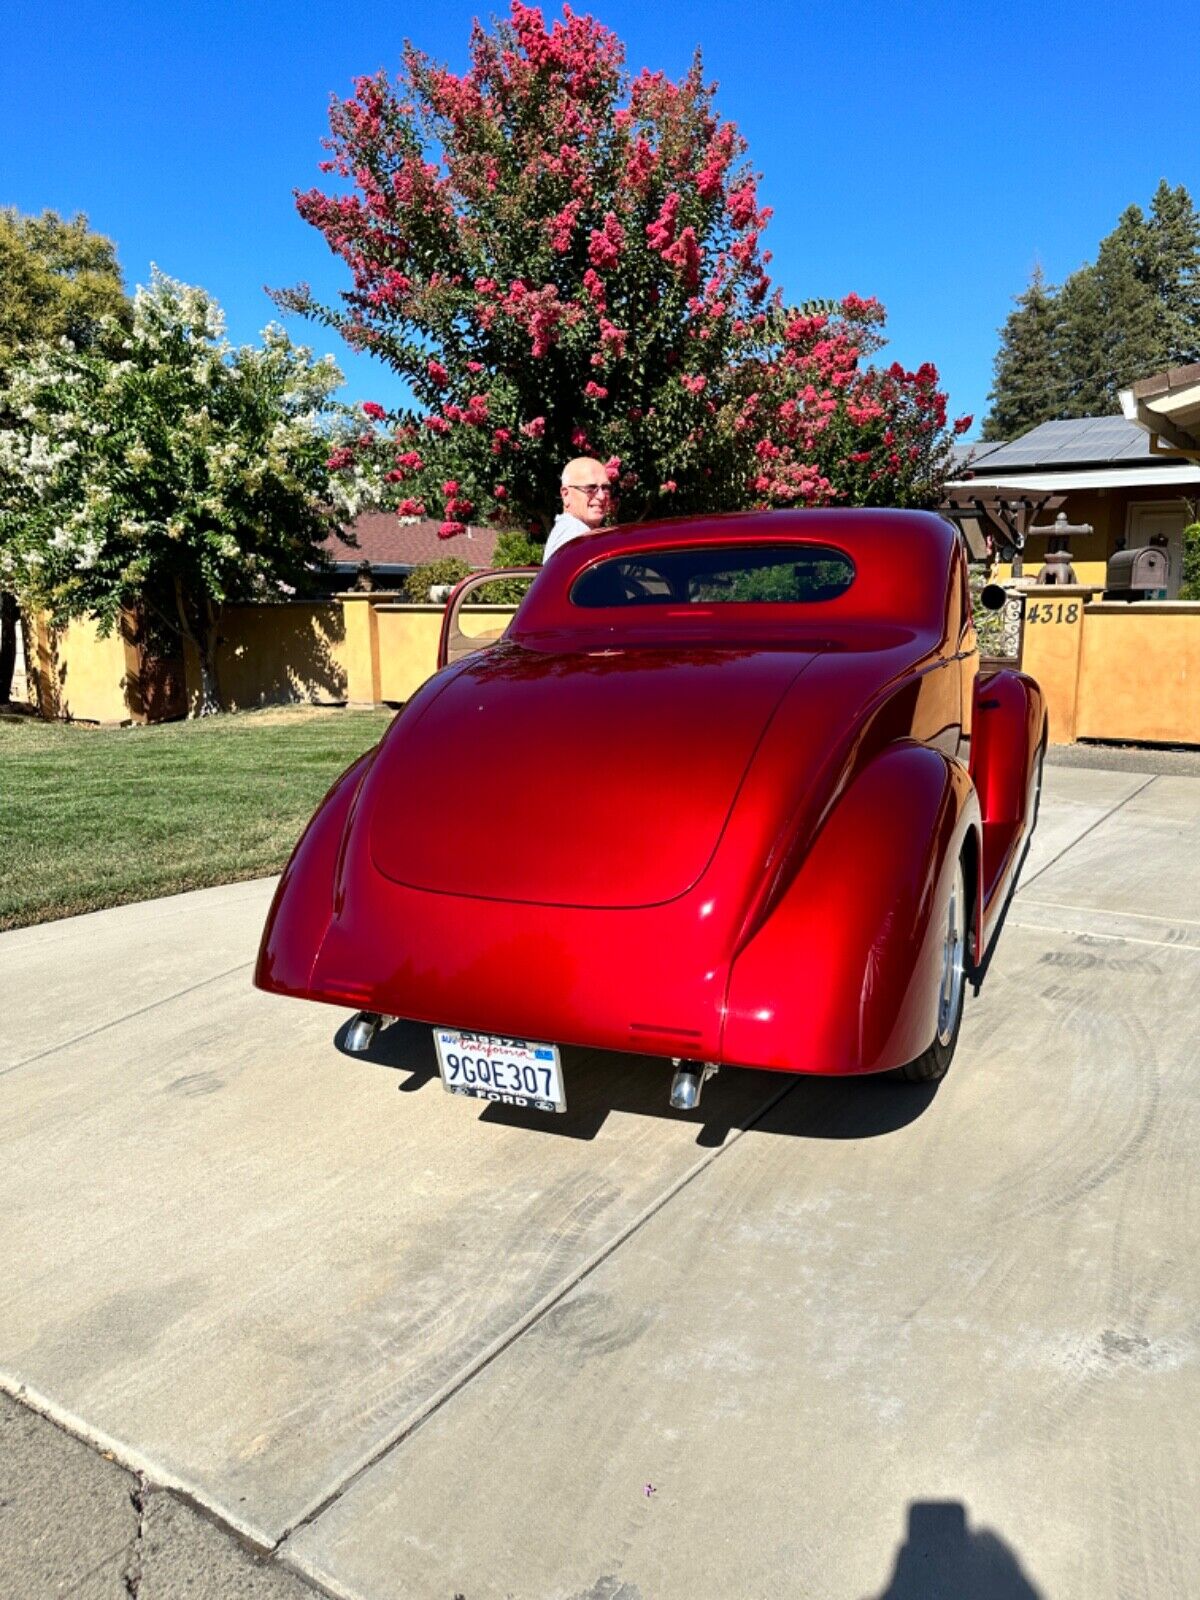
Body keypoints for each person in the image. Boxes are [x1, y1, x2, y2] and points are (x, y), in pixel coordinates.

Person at [542, 457, 615, 563]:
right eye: (590, 488)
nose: (601, 496)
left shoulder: (576, 532)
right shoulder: (575, 538)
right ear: (566, 495)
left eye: (605, 488)